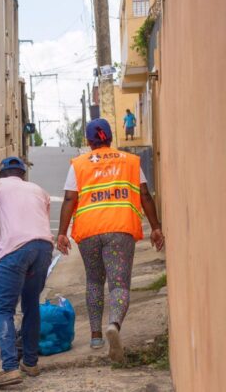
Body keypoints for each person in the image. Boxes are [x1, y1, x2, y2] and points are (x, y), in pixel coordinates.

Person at [56, 118, 164, 363]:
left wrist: (62, 233)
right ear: (111, 138)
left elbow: (70, 200)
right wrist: (156, 227)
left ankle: (95, 336)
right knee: (119, 284)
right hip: (120, 228)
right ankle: (113, 324)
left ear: (88, 141)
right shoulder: (130, 161)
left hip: (89, 230)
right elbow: (144, 195)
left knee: (94, 281)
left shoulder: (79, 164)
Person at [0, 156, 54, 388]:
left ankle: (10, 368)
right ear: (22, 174)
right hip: (43, 248)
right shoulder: (39, 190)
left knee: (3, 308)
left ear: (2, 173)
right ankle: (30, 363)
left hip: (15, 250)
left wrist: (0, 255)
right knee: (31, 303)